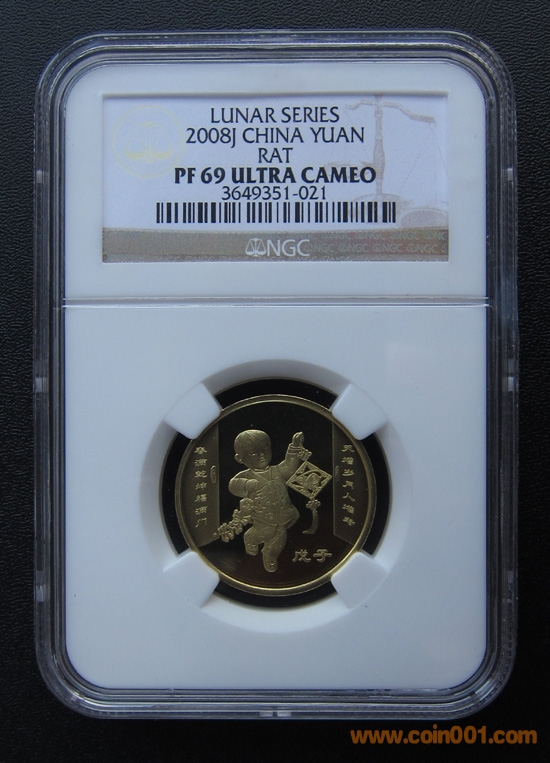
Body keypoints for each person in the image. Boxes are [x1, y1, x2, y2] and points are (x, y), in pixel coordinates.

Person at [228, 429, 306, 572]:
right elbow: (233, 485)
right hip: (263, 518)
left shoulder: (277, 471)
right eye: (253, 452)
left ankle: (270, 554)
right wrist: (246, 484)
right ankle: (251, 539)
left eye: (265, 450)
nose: (261, 455)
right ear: (239, 458)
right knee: (263, 533)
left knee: (280, 535)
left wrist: (295, 446)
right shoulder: (246, 475)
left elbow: (289, 466)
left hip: (284, 514)